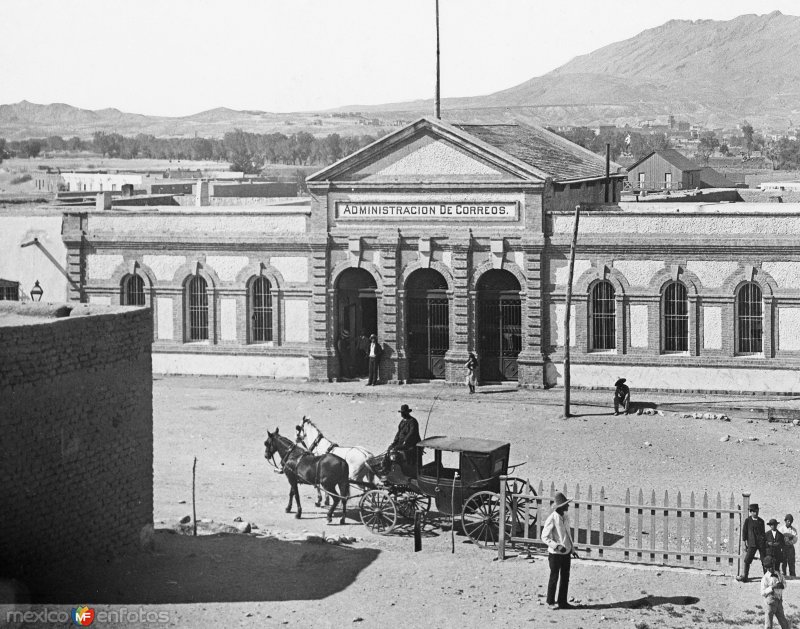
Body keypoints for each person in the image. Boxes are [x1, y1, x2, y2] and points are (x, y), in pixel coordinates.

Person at [542, 491, 580, 610]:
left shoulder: (565, 517)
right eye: (566, 504)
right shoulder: (552, 518)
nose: (568, 506)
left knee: (565, 577)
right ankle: (550, 602)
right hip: (555, 554)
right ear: (560, 506)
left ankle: (562, 602)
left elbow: (568, 535)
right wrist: (556, 546)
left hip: (566, 553)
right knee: (554, 577)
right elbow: (544, 537)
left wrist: (572, 550)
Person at [383, 404, 421, 471]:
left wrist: (405, 441)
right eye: (401, 413)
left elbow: (412, 433)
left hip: (410, 444)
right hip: (400, 442)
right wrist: (394, 442)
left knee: (395, 450)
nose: (402, 414)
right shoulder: (402, 422)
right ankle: (386, 467)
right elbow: (399, 432)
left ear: (407, 412)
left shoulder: (413, 421)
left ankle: (398, 469)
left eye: (403, 413)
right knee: (390, 448)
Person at [738, 503, 767, 582]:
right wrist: (744, 543)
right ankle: (745, 576)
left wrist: (763, 542)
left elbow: (763, 533)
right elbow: (744, 532)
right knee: (747, 560)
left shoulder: (761, 521)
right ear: (751, 512)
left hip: (761, 544)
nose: (756, 513)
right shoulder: (748, 521)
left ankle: (766, 578)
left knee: (764, 560)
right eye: (754, 511)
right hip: (752, 543)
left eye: (757, 511)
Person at [761, 555, 790, 629]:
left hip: (779, 601)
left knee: (783, 621)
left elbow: (784, 583)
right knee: (768, 624)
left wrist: (782, 585)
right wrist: (772, 587)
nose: (772, 568)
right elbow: (763, 592)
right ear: (766, 568)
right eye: (770, 567)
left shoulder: (778, 574)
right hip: (770, 603)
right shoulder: (765, 578)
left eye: (773, 566)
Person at [778, 513, 797, 578]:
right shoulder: (781, 529)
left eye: (791, 521)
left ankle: (792, 574)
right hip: (783, 547)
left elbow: (795, 538)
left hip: (790, 547)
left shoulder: (793, 530)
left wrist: (790, 542)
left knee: (791, 561)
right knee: (783, 561)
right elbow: (779, 538)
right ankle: (784, 575)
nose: (789, 522)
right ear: (785, 521)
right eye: (788, 521)